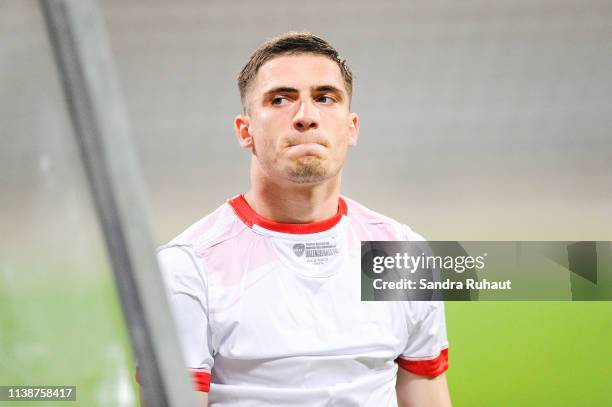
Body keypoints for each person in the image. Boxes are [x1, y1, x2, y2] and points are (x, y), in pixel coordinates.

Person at [156, 32, 451, 407]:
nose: (306, 117)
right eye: (280, 99)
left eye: (325, 98)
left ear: (351, 128)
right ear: (245, 130)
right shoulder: (186, 267)